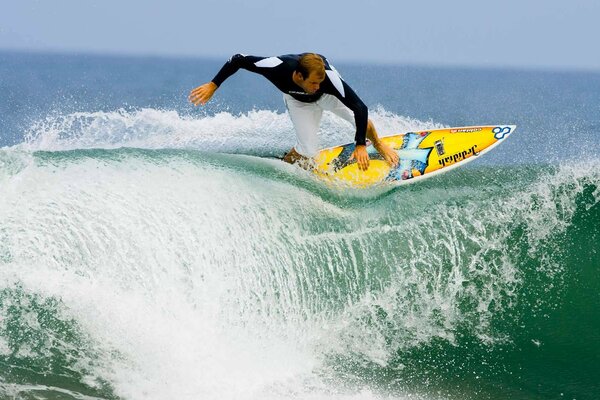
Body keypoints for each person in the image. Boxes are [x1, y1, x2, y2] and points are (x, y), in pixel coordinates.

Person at [189, 53, 398, 171]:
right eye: (314, 82)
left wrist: (361, 144)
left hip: (328, 99)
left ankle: (379, 145)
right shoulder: (277, 67)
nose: (318, 85)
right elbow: (239, 59)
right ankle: (284, 167)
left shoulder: (329, 81)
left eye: (320, 81)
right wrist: (213, 84)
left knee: (362, 122)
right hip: (298, 102)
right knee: (307, 150)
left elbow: (360, 107)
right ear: (298, 76)